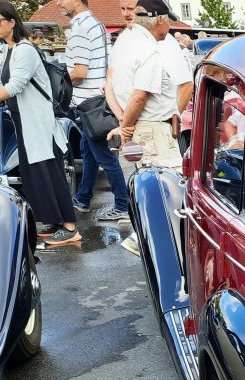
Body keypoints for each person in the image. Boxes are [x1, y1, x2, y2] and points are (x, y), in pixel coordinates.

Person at [0, 1, 80, 247]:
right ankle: (55, 222)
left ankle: (70, 228)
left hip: (38, 124)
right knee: (36, 176)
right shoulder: (12, 49)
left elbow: (16, 85)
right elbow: (17, 92)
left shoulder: (25, 49)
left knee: (50, 173)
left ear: (11, 22)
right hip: (27, 124)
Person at [106, 0, 183, 255]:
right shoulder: (149, 50)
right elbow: (140, 95)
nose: (170, 25)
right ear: (160, 19)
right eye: (169, 20)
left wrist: (123, 123)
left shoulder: (124, 44)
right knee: (171, 192)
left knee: (150, 187)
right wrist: (126, 126)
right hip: (153, 129)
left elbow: (108, 86)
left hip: (140, 126)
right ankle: (150, 243)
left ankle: (146, 238)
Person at [59, 0, 130, 223]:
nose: (59, 2)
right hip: (97, 100)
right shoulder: (96, 24)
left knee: (106, 157)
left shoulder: (80, 28)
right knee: (88, 152)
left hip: (88, 104)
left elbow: (79, 72)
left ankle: (123, 205)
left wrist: (54, 82)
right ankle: (82, 198)